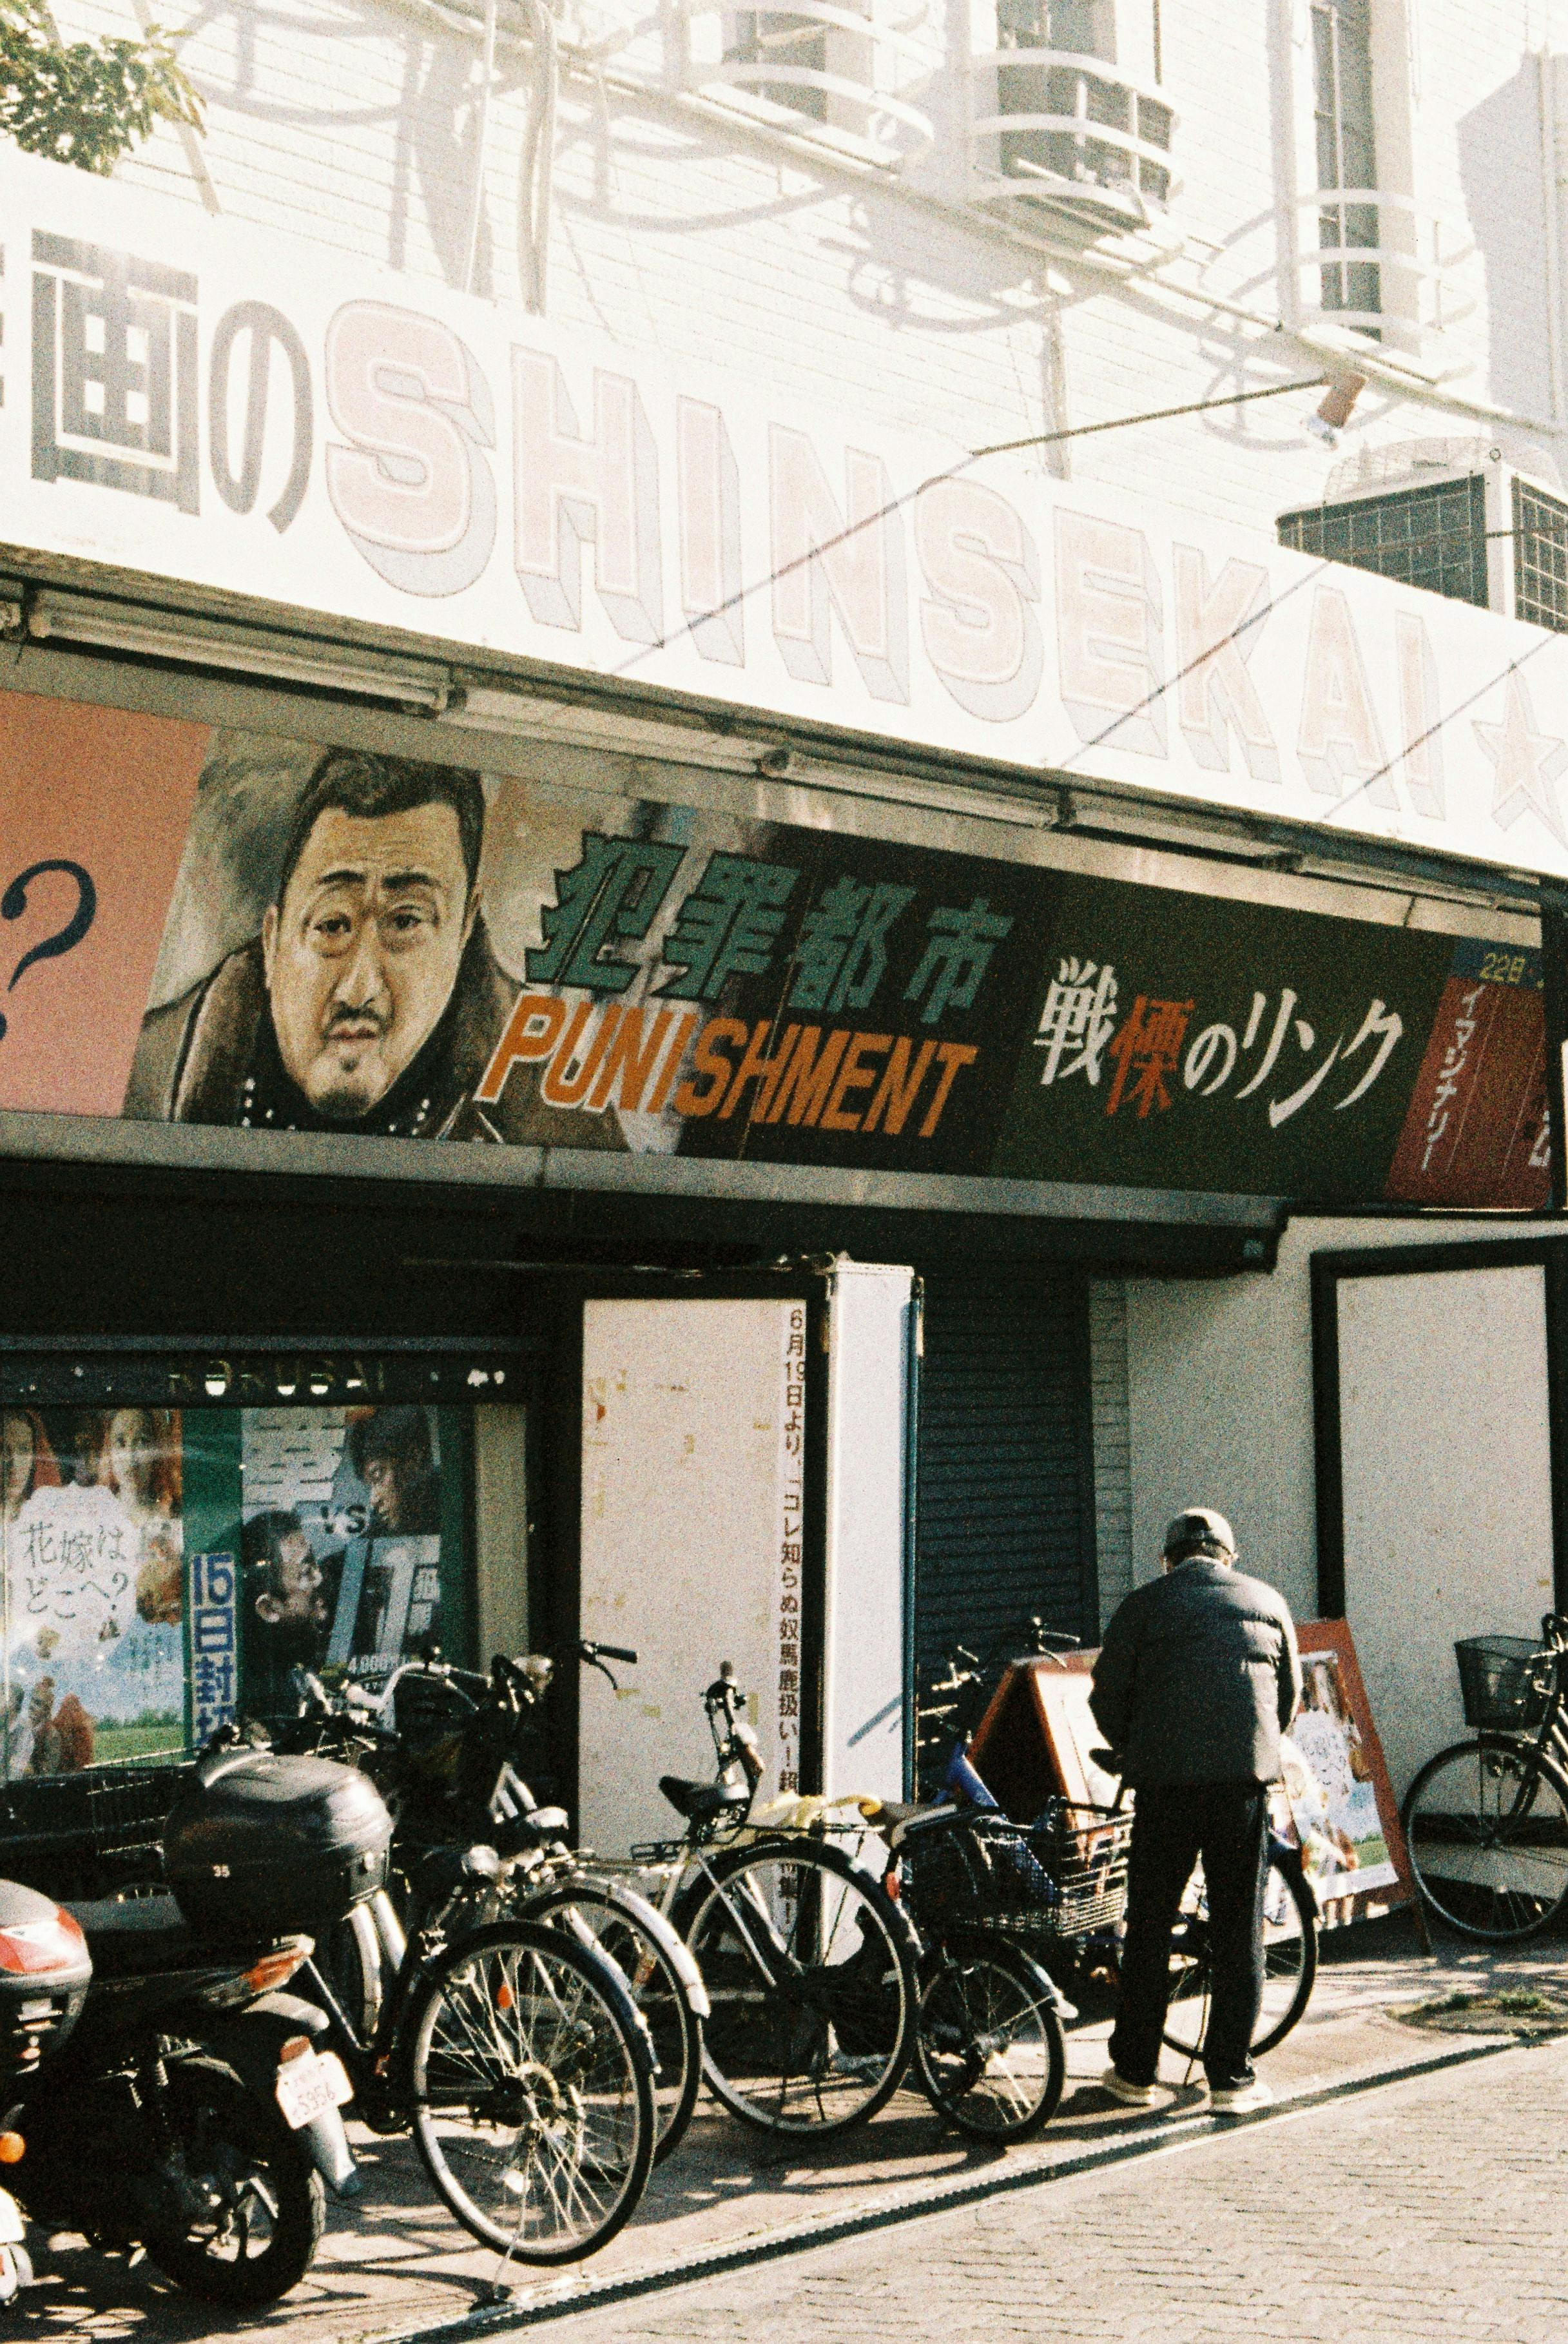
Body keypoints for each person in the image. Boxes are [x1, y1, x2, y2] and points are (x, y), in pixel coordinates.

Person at [124, 749, 621, 1148]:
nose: (359, 987)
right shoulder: (141, 1076)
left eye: (405, 921)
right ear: (273, 940)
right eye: (332, 925)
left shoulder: (555, 1112)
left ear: (464, 930)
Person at [1089, 1506, 1302, 2116]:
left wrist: (1133, 1744)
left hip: (1163, 1786)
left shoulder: (1143, 1604)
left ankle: (1133, 2073)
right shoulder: (1268, 1600)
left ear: (1169, 1558)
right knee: (1239, 1929)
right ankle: (1231, 2081)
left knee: (1150, 1924)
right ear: (1227, 1556)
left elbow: (1107, 1696)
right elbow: (1283, 1702)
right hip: (1241, 1786)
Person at [347, 1406, 441, 1535]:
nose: (374, 1500)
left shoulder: (448, 1509)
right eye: (370, 1485)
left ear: (413, 1460)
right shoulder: (386, 1525)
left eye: (378, 1476)